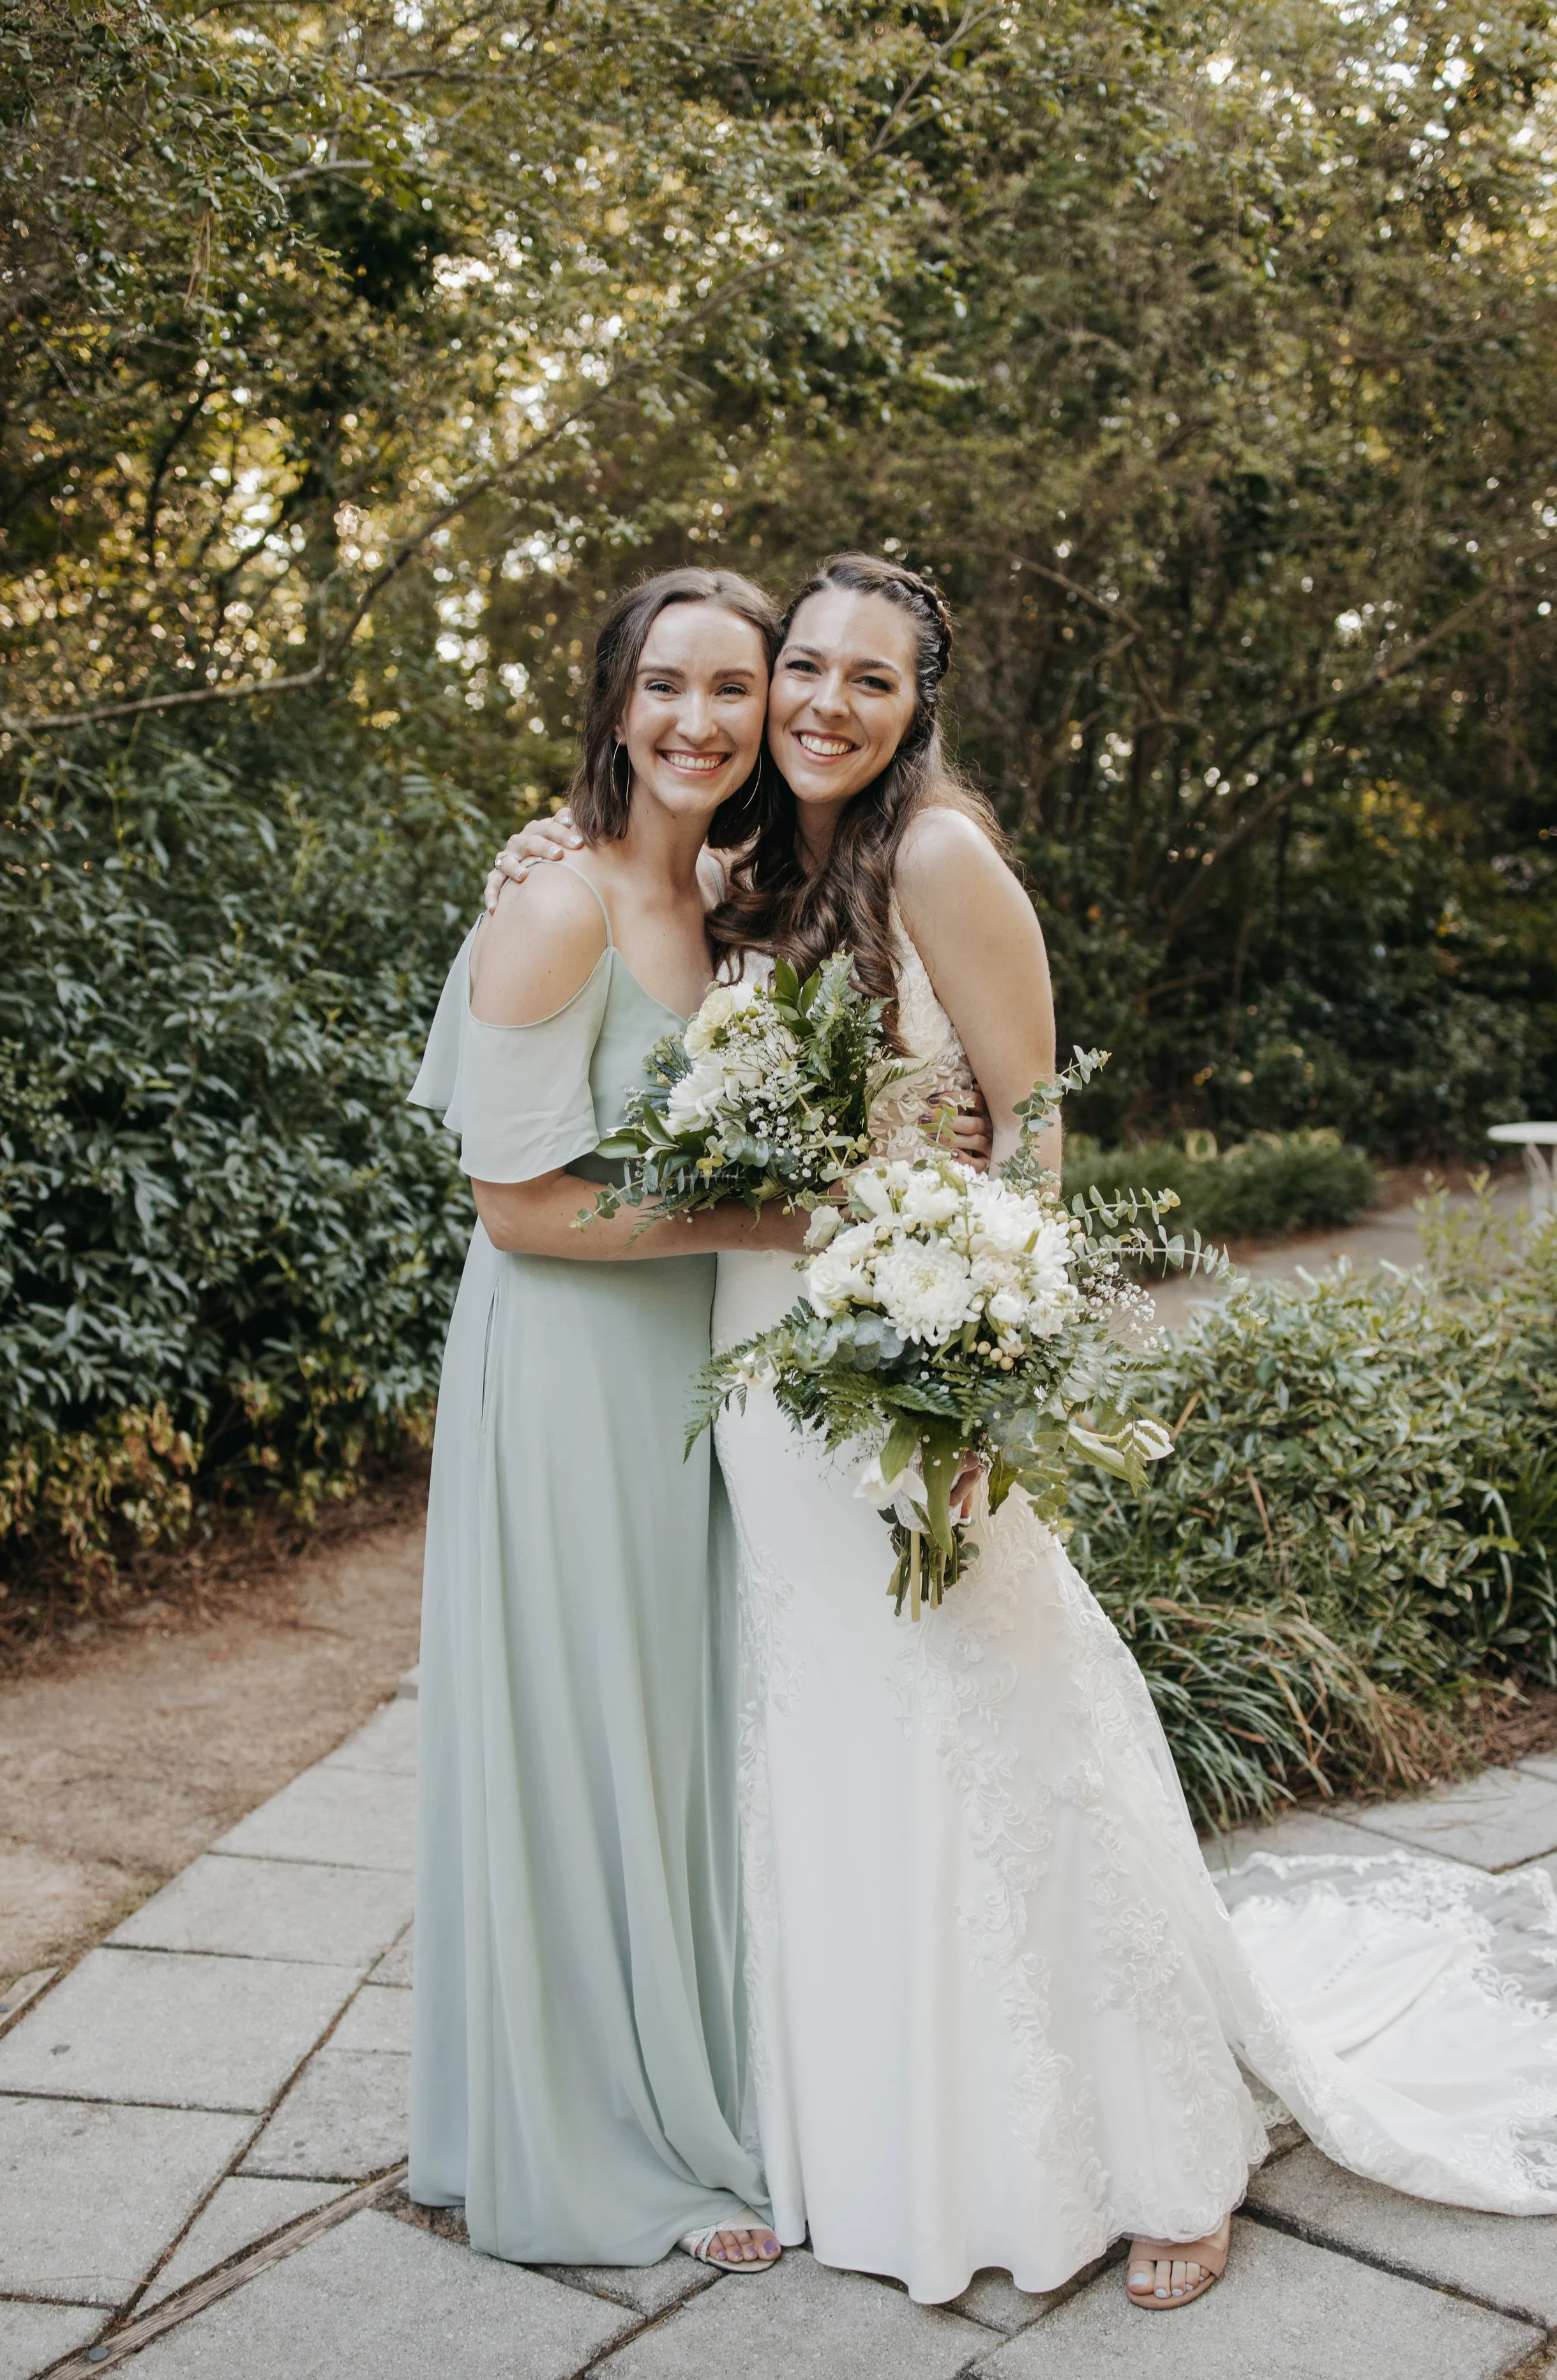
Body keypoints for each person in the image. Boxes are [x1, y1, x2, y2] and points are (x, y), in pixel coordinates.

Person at [493, 554, 1557, 2311]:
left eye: (869, 681)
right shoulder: (759, 865)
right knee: (833, 1749)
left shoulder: (936, 856)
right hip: (765, 1371)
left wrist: (991, 1378)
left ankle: (1160, 2148)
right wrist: (538, 846)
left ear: (919, 707)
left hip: (913, 1376)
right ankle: (884, 2129)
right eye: (804, 672)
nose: (824, 704)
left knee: (1000, 1726)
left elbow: (1041, 1140)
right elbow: (634, 929)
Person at [406, 567, 806, 2273]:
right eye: (666, 686)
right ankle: (598, 2141)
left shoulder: (724, 894)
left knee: (666, 1726)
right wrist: (768, 1223)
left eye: (733, 688)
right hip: (565, 1363)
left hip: (677, 1366)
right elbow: (519, 1207)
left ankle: (674, 2073)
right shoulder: (554, 905)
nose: (698, 720)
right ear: (611, 701)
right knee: (581, 1726)